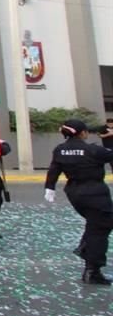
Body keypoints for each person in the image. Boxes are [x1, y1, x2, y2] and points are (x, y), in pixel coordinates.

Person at [44, 119, 113, 285]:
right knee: (100, 229)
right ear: (83, 133)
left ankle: (84, 248)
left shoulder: (60, 150)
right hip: (95, 194)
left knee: (95, 224)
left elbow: (54, 170)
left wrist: (50, 188)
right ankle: (92, 270)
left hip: (75, 193)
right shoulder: (93, 150)